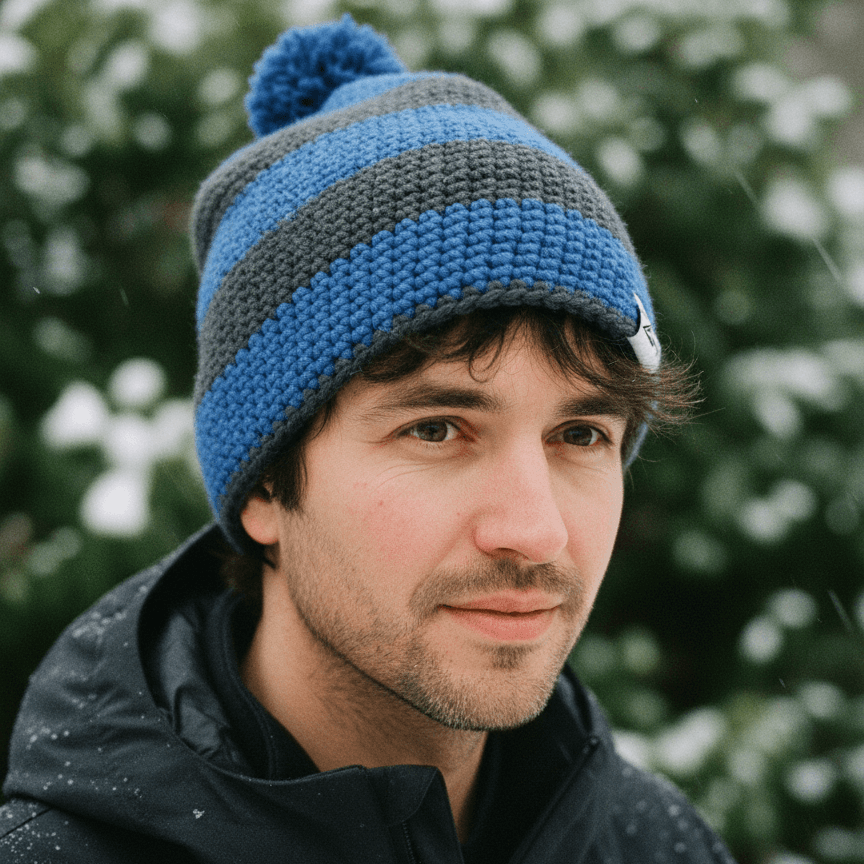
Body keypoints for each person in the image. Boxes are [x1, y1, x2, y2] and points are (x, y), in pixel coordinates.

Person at [0, 15, 732, 864]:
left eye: (580, 433)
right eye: (437, 428)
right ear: (268, 485)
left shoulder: (657, 846)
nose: (536, 530)